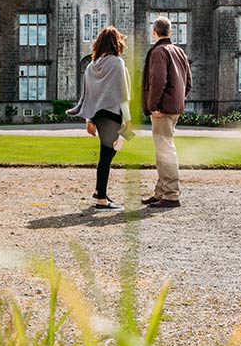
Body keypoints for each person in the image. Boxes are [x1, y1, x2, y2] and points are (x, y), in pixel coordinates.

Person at [67, 26, 132, 210]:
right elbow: (123, 95)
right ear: (116, 43)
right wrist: (128, 123)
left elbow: (88, 95)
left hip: (98, 115)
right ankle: (101, 200)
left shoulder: (91, 66)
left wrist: (88, 120)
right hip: (113, 115)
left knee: (108, 155)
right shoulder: (117, 63)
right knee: (106, 157)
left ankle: (99, 191)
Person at [141, 16, 192, 208]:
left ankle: (170, 194)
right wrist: (177, 100)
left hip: (162, 110)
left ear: (154, 32)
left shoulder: (159, 51)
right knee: (163, 149)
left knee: (165, 150)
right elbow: (188, 83)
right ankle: (161, 191)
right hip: (174, 108)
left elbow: (158, 81)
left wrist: (154, 106)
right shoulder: (179, 51)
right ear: (170, 32)